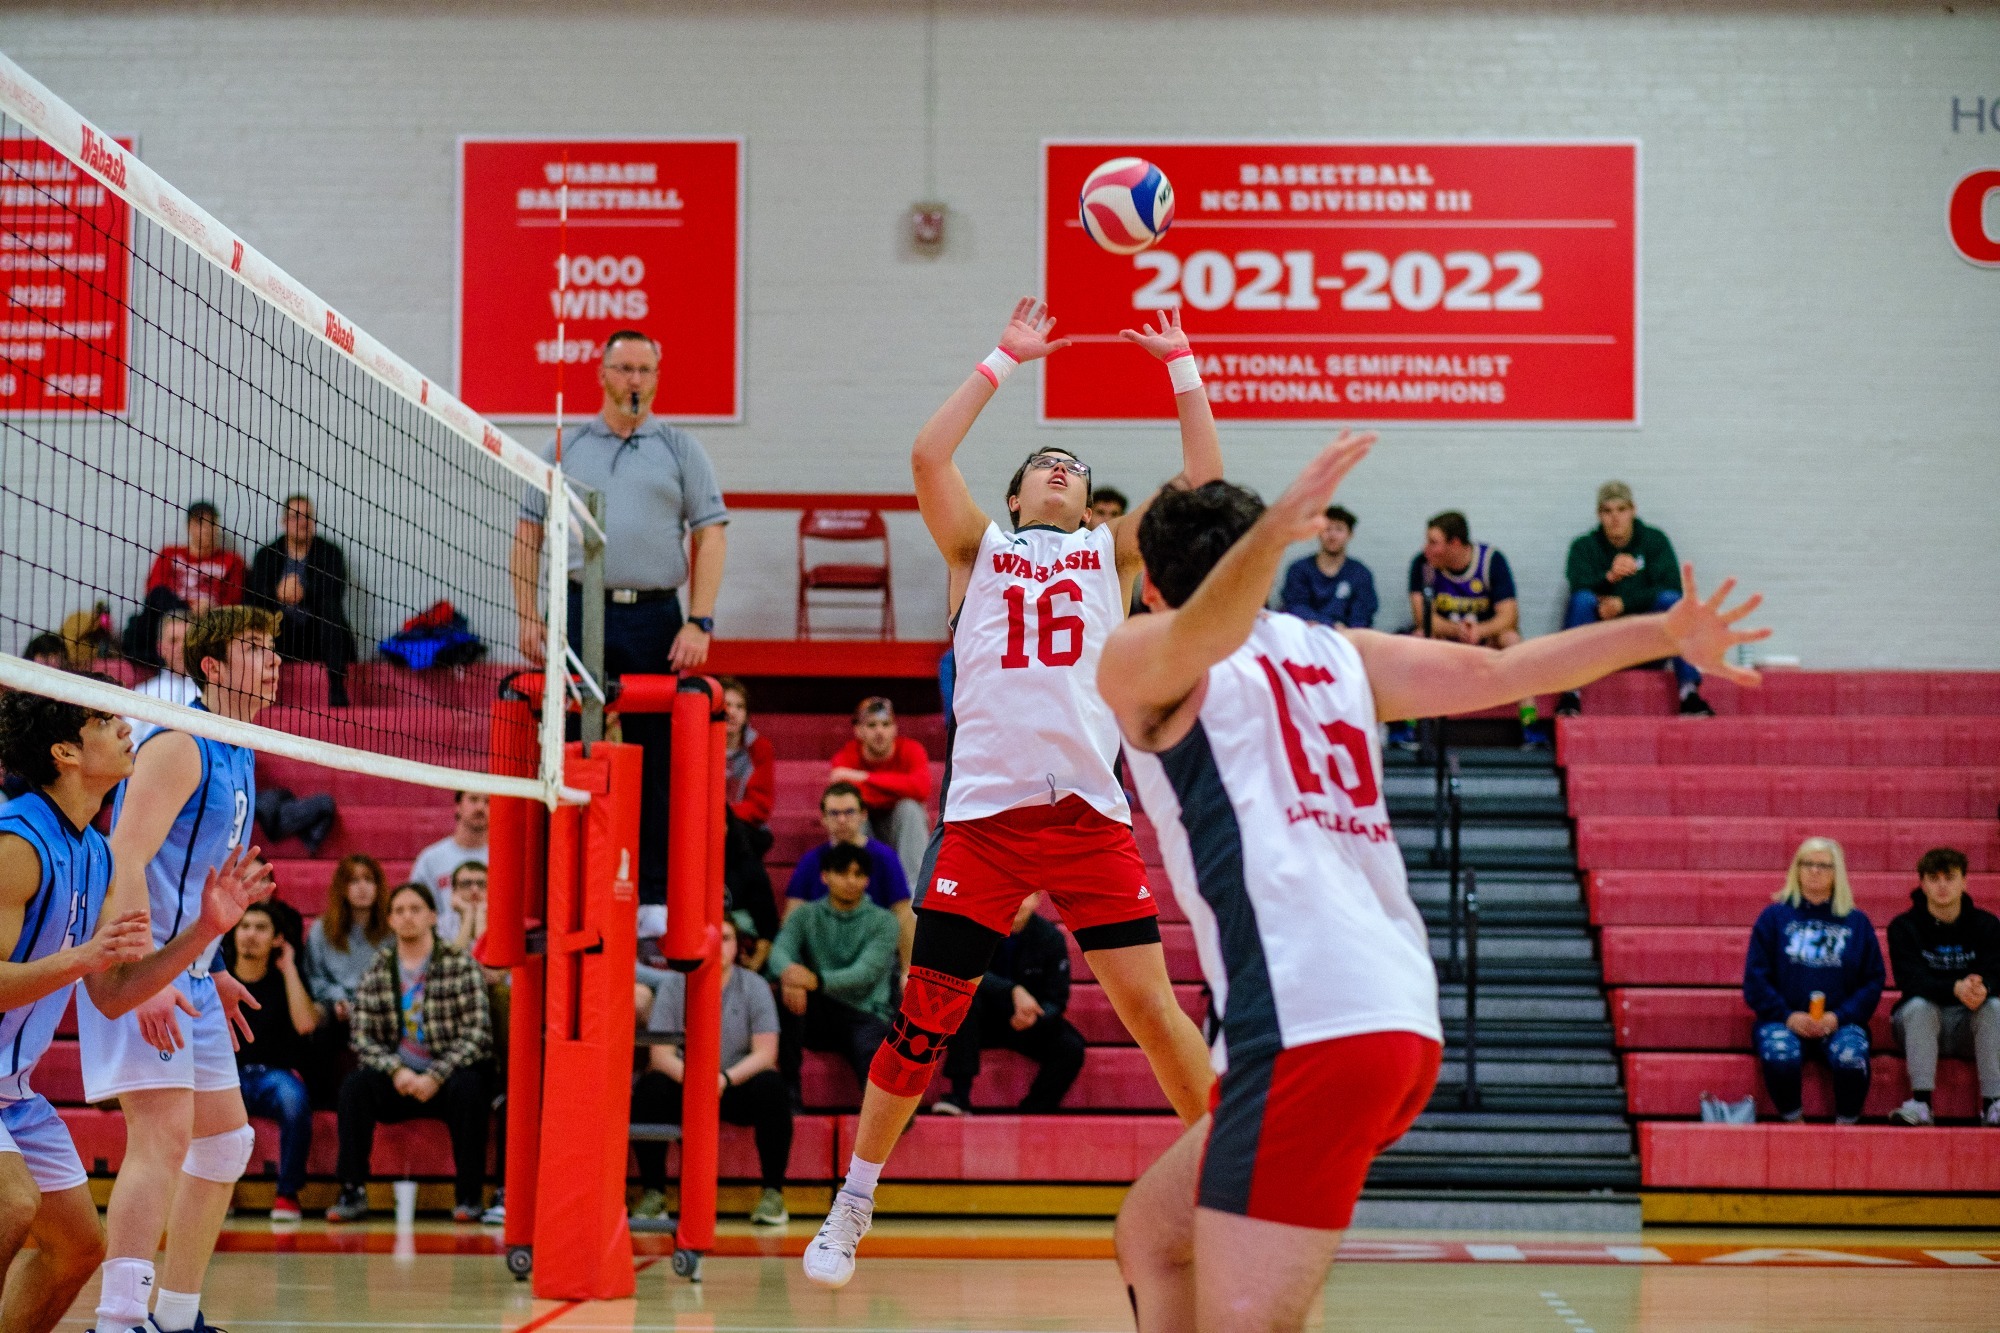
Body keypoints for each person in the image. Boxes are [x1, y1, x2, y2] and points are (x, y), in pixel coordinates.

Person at [1095, 433, 1768, 1332]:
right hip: (1393, 1015)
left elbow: (1201, 633)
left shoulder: (1138, 651)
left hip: (1310, 1020)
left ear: (1150, 585)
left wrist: (1662, 633)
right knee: (1153, 1234)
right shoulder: (1337, 651)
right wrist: (1661, 633)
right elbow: (1502, 670)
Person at [805, 300, 1221, 1288]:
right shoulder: (977, 549)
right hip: (985, 825)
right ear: (1015, 494)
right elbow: (926, 455)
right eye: (1044, 462)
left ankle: (1232, 1186)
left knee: (1152, 1009)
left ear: (1089, 504)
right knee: (924, 1018)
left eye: (1072, 466)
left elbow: (1205, 489)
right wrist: (1003, 357)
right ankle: (854, 1197)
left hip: (1087, 819)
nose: (1059, 468)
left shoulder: (1112, 552)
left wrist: (1181, 364)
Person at [0, 687, 264, 1333]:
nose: (126, 726)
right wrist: (83, 957)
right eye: (102, 719)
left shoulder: (96, 853)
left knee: (78, 1249)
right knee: (11, 1202)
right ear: (65, 753)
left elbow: (113, 993)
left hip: (14, 1088)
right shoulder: (17, 845)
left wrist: (205, 934)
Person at [85, 606, 283, 1333]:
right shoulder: (179, 745)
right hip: (141, 967)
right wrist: (143, 973)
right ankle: (118, 1319)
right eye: (255, 647)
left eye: (275, 648)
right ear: (211, 666)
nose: (274, 660)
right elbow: (125, 858)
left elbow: (197, 876)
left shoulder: (241, 746)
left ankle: (175, 1315)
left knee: (227, 1142)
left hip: (189, 973)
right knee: (161, 1136)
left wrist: (214, 963)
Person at [511, 329, 729, 947]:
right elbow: (528, 535)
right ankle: (558, 891)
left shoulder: (680, 448)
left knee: (658, 759)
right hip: (579, 609)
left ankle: (654, 895)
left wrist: (699, 621)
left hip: (656, 615)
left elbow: (712, 533)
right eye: (624, 368)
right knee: (564, 750)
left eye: (644, 370)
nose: (635, 380)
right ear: (602, 375)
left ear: (656, 377)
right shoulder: (565, 446)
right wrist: (528, 615)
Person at [328, 882, 495, 1223]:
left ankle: (469, 1196)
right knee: (354, 1088)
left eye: (415, 909)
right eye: (399, 911)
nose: (407, 917)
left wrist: (435, 1075)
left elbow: (478, 1034)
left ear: (433, 916)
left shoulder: (459, 963)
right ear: (390, 920)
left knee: (471, 1087)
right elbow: (362, 1036)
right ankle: (352, 1190)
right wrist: (396, 1070)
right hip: (399, 1079)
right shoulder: (379, 967)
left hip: (447, 1078)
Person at [631, 917, 790, 1226]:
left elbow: (766, 1053)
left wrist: (723, 1080)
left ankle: (773, 1194)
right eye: (711, 940)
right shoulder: (673, 986)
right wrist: (698, 1081)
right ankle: (653, 1193)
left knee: (772, 1087)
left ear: (737, 946)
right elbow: (660, 1056)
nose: (718, 947)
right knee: (651, 1088)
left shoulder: (754, 986)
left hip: (733, 1084)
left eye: (726, 938)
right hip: (686, 1083)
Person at [1742, 838, 1884, 1124]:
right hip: (1784, 1020)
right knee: (1779, 1055)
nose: (1815, 870)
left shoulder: (1856, 922)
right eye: (1807, 864)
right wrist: (1787, 1016)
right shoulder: (1773, 917)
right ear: (1796, 869)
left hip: (1838, 1021)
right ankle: (1795, 1123)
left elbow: (1872, 981)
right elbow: (1755, 979)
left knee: (1851, 1058)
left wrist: (1838, 1017)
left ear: (1836, 872)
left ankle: (1846, 1127)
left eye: (1823, 865)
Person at [1558, 481, 1710, 717]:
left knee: (1673, 601)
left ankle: (1689, 694)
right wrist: (1609, 577)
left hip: (1645, 647)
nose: (1615, 518)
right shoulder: (1584, 546)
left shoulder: (1654, 541)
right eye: (1607, 511)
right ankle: (1570, 692)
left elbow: (1672, 587)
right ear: (1599, 515)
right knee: (1582, 600)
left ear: (1633, 510)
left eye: (1621, 509)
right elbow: (1578, 584)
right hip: (1601, 650)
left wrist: (1623, 603)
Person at [934, 893, 1086, 1116]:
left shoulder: (1051, 938)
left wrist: (1037, 1016)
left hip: (1026, 1022)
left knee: (1071, 1047)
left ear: (1038, 899)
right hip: (983, 1021)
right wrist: (1013, 990)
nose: (1019, 902)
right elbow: (965, 973)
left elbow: (1057, 999)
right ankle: (959, 1096)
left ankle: (1035, 1111)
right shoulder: (980, 929)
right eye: (1014, 893)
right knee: (964, 1002)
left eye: (1027, 895)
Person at [770, 841, 900, 1100]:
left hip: (865, 1012)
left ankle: (889, 1117)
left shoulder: (884, 921)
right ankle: (790, 1096)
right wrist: (791, 974)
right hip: (819, 1011)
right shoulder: (805, 914)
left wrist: (815, 980)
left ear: (867, 880)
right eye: (842, 872)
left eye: (858, 874)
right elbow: (779, 952)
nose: (851, 881)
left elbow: (865, 973)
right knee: (786, 997)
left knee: (877, 1063)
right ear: (825, 876)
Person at [1399, 511, 1537, 747]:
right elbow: (1423, 618)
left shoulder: (1491, 560)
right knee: (1418, 637)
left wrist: (1480, 631)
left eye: (1433, 542)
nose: (1426, 548)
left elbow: (1509, 616)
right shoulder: (1423, 564)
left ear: (1454, 543)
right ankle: (1408, 725)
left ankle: (1530, 724)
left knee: (1512, 639)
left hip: (1484, 640)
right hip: (1446, 642)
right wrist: (1457, 630)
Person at [1888, 847, 2000, 1126]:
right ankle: (1921, 1104)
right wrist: (1955, 988)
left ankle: (1994, 1104)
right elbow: (1910, 981)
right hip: (1919, 1027)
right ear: (1922, 884)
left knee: (1994, 1007)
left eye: (1949, 878)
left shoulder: (1987, 925)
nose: (1942, 885)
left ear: (1964, 882)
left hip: (1969, 1025)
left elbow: (1997, 972)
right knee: (1919, 1006)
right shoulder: (1903, 926)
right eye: (1934, 878)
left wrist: (1984, 987)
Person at [224, 901, 318, 1220]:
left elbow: (306, 1024)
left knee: (294, 1100)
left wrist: (289, 968)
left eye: (261, 928)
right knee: (201, 1102)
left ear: (277, 939)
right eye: (245, 927)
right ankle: (218, 1191)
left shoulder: (285, 979)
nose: (251, 935)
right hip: (227, 1075)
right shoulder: (220, 979)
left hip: (274, 1075)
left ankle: (287, 1194)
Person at [246, 493, 355, 708]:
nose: (302, 522)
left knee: (330, 609)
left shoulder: (330, 553)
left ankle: (336, 688)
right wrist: (276, 593)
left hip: (317, 637)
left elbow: (335, 590)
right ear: (284, 521)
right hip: (280, 637)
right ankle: (257, 689)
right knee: (256, 614)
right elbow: (252, 594)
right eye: (296, 516)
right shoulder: (266, 555)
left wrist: (303, 592)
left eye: (307, 517)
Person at [784, 782, 914, 961]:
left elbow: (903, 915)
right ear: (823, 818)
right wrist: (790, 965)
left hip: (874, 954)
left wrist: (908, 968)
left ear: (863, 815)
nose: (842, 820)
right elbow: (792, 920)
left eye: (849, 812)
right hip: (821, 956)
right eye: (834, 813)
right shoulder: (811, 861)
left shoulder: (885, 858)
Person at [303, 853, 391, 1103]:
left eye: (369, 880)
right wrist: (338, 998)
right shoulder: (322, 930)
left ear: (378, 887)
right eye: (353, 881)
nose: (362, 887)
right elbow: (314, 977)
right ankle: (319, 1102)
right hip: (338, 1007)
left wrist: (364, 1005)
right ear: (342, 888)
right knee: (318, 1021)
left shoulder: (392, 930)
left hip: (381, 1008)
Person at [828, 696, 933, 887]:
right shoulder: (845, 757)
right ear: (858, 730)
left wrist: (864, 778)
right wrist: (898, 789)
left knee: (910, 809)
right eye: (871, 725)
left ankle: (913, 896)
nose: (879, 731)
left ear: (895, 728)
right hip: (865, 829)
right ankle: (858, 891)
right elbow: (842, 795)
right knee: (850, 811)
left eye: (886, 724)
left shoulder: (912, 750)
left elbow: (922, 788)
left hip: (901, 831)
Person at [720, 677, 779, 962]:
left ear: (747, 714)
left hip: (748, 830)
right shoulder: (695, 739)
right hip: (707, 825)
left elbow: (760, 807)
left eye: (739, 706)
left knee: (739, 841)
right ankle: (758, 929)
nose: (732, 712)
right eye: (726, 704)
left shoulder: (760, 748)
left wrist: (723, 813)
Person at [1277, 504, 1378, 629]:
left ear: (1350, 534)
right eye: (1327, 529)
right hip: (1306, 633)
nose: (1332, 535)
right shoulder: (1299, 569)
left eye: (1339, 529)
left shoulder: (1360, 573)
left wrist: (1346, 632)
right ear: (1318, 533)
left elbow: (1362, 615)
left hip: (1346, 636)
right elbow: (1296, 606)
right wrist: (1330, 625)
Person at [408, 791, 488, 944]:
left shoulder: (505, 859)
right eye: (473, 799)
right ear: (458, 806)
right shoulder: (431, 859)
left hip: (495, 950)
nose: (480, 807)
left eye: (487, 802)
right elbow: (415, 908)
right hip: (443, 949)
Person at [125, 613, 200, 742]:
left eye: (188, 640)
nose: (182, 647)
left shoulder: (214, 694)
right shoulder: (142, 694)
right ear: (160, 648)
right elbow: (131, 742)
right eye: (174, 641)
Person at [445, 860, 488, 955]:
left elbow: (485, 960)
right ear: (454, 891)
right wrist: (468, 915)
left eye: (481, 884)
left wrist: (480, 916)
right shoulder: (443, 924)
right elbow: (453, 960)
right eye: (466, 884)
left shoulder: (502, 923)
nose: (475, 890)